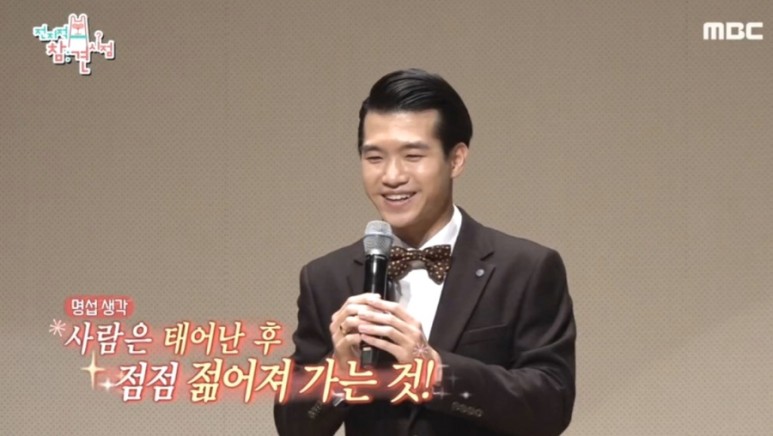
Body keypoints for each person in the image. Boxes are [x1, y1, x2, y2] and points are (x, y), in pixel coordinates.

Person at [273, 68, 576, 436]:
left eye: (413, 156)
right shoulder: (327, 277)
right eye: (374, 158)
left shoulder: (525, 268)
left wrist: (435, 371)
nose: (392, 176)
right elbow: (294, 427)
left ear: (456, 159)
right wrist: (339, 371)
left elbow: (550, 407)